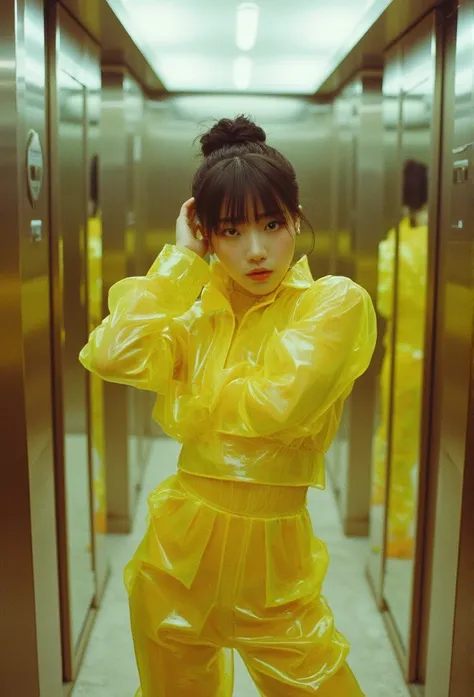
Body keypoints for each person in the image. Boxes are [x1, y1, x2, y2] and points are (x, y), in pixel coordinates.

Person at [80, 115, 377, 697]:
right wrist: (180, 264)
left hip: (276, 570)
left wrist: (192, 391)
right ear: (208, 236)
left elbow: (276, 407)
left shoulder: (333, 304)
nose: (257, 250)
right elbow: (111, 354)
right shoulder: (197, 317)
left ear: (296, 217)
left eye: (271, 223)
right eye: (231, 230)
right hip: (177, 553)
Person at [372, 159, 428, 558]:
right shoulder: (455, 242)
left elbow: (385, 304)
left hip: (405, 358)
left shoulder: (394, 244)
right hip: (451, 363)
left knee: (398, 443)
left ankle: (398, 533)